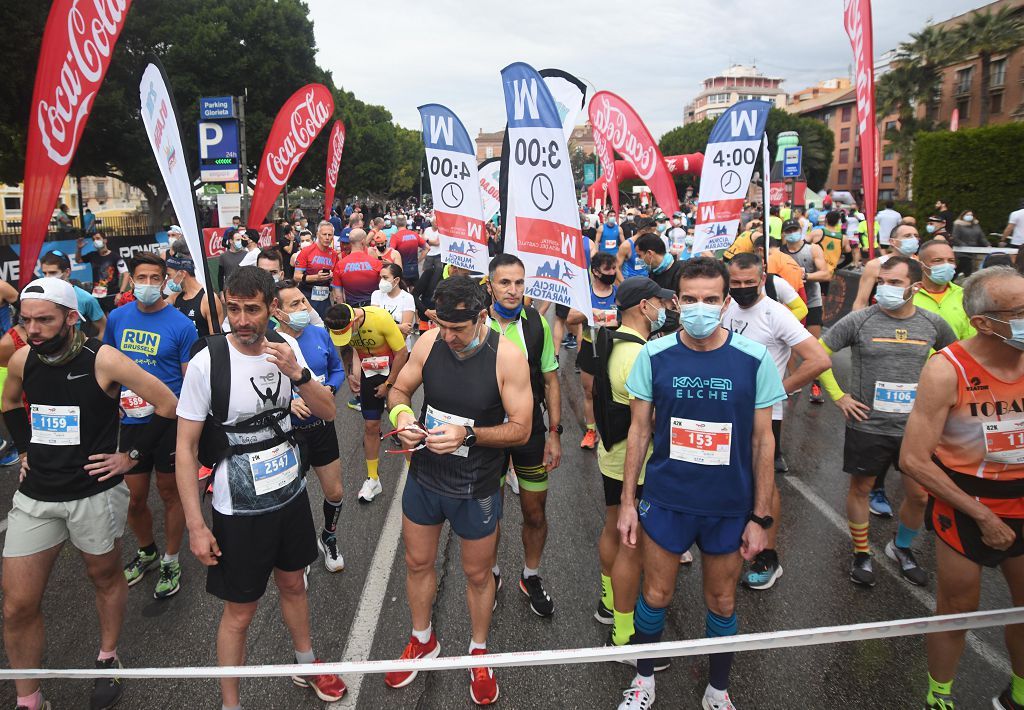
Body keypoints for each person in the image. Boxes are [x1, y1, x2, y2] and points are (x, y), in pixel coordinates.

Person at [615, 257, 785, 710]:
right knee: (655, 595)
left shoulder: (754, 359)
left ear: (726, 302)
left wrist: (761, 516)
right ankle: (644, 679)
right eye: (690, 299)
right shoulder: (654, 355)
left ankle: (718, 690)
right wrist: (628, 502)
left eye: (711, 300)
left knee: (723, 600)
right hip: (668, 501)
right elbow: (639, 431)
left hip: (728, 506)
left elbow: (763, 442)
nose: (700, 308)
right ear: (676, 302)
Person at [2, 277, 177, 710]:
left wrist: (130, 456)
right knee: (16, 606)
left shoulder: (104, 360)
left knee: (103, 577)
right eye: (26, 321)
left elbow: (167, 403)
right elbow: (8, 403)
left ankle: (107, 657)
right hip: (37, 496)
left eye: (44, 320)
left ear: (71, 317)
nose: (34, 330)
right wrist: (25, 448)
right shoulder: (24, 358)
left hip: (93, 494)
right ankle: (29, 698)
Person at [175, 266, 347, 707]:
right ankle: (231, 703)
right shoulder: (206, 362)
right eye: (234, 309)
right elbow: (185, 448)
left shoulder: (286, 346)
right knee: (240, 610)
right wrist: (196, 526)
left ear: (272, 308)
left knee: (294, 585)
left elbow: (328, 412)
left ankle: (307, 666)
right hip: (239, 509)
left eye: (252, 309)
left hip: (289, 494)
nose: (243, 319)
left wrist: (299, 374)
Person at [383, 275, 533, 705]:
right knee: (417, 562)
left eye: (458, 330)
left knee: (476, 574)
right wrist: (400, 418)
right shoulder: (430, 342)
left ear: (482, 317)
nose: (447, 336)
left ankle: (479, 651)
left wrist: (468, 434)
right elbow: (400, 388)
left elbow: (521, 429)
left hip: (476, 485)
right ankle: (422, 639)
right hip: (426, 476)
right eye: (441, 325)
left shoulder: (507, 357)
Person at [898, 266, 1024, 710]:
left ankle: (1020, 694)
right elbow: (913, 459)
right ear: (985, 323)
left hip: (1021, 497)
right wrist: (983, 516)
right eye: (1021, 311)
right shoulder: (945, 369)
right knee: (957, 607)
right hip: (966, 500)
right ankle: (939, 696)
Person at [818, 256, 957, 588]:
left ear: (915, 286)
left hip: (916, 429)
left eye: (895, 283)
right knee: (862, 489)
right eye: (882, 282)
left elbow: (959, 363)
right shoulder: (860, 321)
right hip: (868, 426)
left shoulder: (933, 323)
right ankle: (862, 553)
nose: (886, 289)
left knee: (921, 495)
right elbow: (817, 355)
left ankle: (902, 547)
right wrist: (839, 397)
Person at [723, 253, 831, 589]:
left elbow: (819, 360)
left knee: (764, 482)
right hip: (730, 409)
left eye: (748, 283)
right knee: (736, 477)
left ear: (762, 278)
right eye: (735, 283)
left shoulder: (775, 313)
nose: (741, 288)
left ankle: (769, 556)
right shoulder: (728, 307)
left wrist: (777, 391)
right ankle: (744, 538)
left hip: (764, 415)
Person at [103, 252, 198, 601]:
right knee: (135, 497)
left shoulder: (181, 325)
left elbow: (190, 380)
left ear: (165, 281)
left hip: (169, 422)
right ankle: (147, 551)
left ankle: (172, 559)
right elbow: (107, 366)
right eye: (140, 278)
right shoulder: (118, 318)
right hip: (130, 422)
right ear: (132, 279)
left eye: (154, 279)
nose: (147, 285)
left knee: (171, 493)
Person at [593, 277, 674, 641]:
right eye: (662, 302)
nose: (667, 310)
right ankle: (625, 634)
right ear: (645, 306)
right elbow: (652, 419)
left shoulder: (613, 339)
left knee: (613, 527)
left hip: (612, 454)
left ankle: (608, 603)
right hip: (635, 461)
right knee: (632, 541)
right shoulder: (640, 354)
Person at [484, 254, 562, 616]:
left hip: (530, 432)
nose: (513, 290)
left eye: (519, 283)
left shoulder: (536, 323)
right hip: (488, 434)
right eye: (505, 283)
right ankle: (492, 573)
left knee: (535, 511)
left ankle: (530, 574)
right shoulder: (477, 323)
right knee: (491, 511)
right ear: (490, 285)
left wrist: (556, 433)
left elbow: (550, 378)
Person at [273, 280, 346, 572]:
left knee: (336, 493)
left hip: (322, 427)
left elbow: (337, 370)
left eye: (303, 301)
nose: (304, 308)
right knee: (294, 501)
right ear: (277, 311)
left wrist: (331, 390)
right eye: (295, 304)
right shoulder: (271, 344)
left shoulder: (318, 334)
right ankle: (299, 555)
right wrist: (288, 402)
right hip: (290, 434)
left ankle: (328, 537)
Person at [326, 301, 409, 504]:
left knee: (403, 425)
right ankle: (373, 479)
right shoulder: (339, 322)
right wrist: (351, 375)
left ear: (354, 320)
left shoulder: (379, 318)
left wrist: (389, 384)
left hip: (394, 372)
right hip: (369, 373)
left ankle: (413, 474)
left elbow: (402, 353)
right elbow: (347, 350)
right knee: (371, 426)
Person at [568, 253, 618, 450]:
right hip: (590, 347)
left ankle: (614, 427)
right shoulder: (585, 294)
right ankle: (591, 431)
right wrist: (589, 312)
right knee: (589, 391)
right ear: (596, 272)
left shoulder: (619, 292)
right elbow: (570, 319)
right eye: (608, 270)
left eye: (614, 269)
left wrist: (607, 316)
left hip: (614, 348)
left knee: (613, 392)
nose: (612, 273)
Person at [914, 239, 976, 341]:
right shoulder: (907, 295)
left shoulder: (965, 296)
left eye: (951, 260)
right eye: (938, 260)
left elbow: (970, 340)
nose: (946, 265)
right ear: (922, 265)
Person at [852, 224, 921, 311]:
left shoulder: (920, 265)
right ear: (892, 241)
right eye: (907, 236)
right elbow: (861, 302)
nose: (913, 239)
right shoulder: (875, 265)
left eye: (916, 236)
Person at [39, 250, 107, 339]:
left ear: (67, 272)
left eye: (52, 273)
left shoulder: (85, 299)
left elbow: (104, 328)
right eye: (44, 273)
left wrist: (92, 350)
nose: (47, 277)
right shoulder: (38, 296)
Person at [166, 243, 222, 338]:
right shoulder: (175, 297)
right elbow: (154, 308)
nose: (167, 280)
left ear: (182, 273)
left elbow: (216, 339)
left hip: (202, 351)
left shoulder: (207, 299)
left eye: (169, 275)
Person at [294, 221, 341, 319]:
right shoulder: (306, 251)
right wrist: (316, 277)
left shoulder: (334, 254)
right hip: (307, 294)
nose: (327, 237)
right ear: (318, 235)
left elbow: (336, 280)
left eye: (330, 235)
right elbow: (296, 276)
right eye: (324, 234)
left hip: (325, 296)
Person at [333, 228, 384, 308]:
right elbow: (383, 287)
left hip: (352, 309)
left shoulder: (340, 264)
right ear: (363, 242)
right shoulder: (376, 263)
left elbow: (338, 296)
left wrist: (343, 313)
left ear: (350, 242)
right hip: (374, 308)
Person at [75, 231, 127, 308]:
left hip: (112, 295)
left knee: (112, 318)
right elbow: (78, 260)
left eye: (98, 238)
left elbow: (126, 274)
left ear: (105, 240)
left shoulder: (115, 257)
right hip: (97, 295)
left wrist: (121, 293)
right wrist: (79, 249)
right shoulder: (92, 255)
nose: (95, 241)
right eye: (93, 239)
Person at [371, 263, 416, 348]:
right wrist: (400, 327)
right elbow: (374, 324)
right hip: (380, 348)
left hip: (401, 348)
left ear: (396, 280)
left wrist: (383, 327)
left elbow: (405, 332)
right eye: (381, 277)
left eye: (385, 278)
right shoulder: (376, 295)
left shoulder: (407, 298)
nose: (382, 281)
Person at [389, 216, 427, 289]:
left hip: (402, 269)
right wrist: (418, 260)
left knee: (403, 293)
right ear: (406, 223)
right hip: (414, 268)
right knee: (414, 292)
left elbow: (391, 253)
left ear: (396, 224)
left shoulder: (395, 237)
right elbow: (427, 248)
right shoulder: (414, 234)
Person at [617, 217, 656, 281]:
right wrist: (624, 284)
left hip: (646, 283)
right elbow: (617, 267)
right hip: (631, 283)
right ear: (644, 231)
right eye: (651, 233)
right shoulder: (626, 245)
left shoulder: (649, 243)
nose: (653, 235)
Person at [218, 228, 249, 294]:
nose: (240, 242)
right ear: (231, 241)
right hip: (230, 292)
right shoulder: (223, 256)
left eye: (240, 239)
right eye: (237, 240)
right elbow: (220, 276)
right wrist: (221, 292)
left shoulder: (247, 254)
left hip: (245, 291)